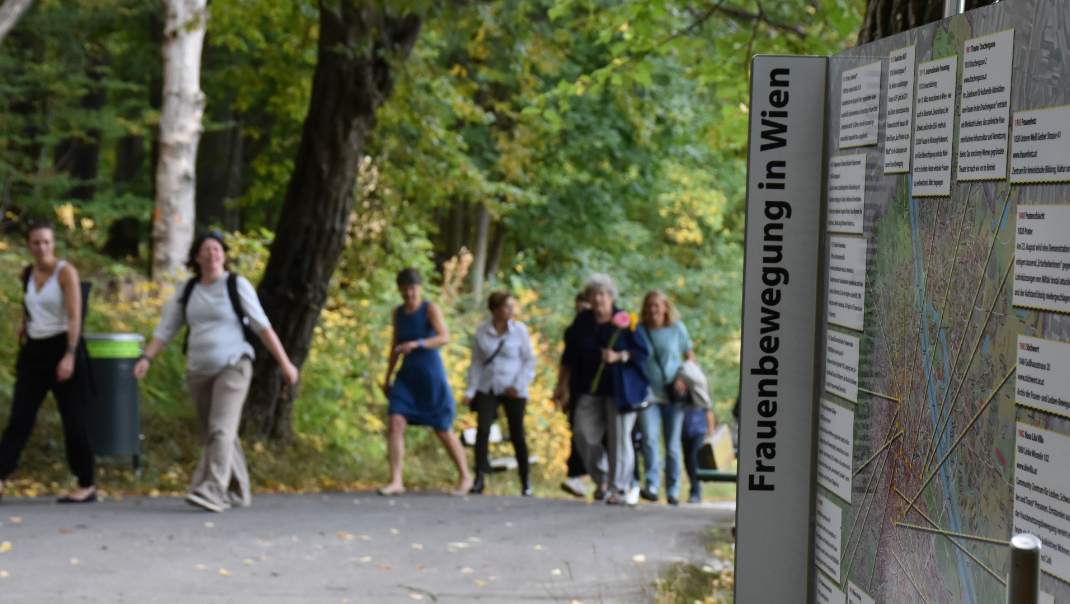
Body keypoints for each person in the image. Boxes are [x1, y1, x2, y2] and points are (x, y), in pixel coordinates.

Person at [134, 232, 299, 512]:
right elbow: (167, 328)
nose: (212, 254)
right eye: (206, 250)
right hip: (199, 370)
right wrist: (147, 357)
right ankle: (239, 491)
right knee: (217, 432)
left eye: (217, 249)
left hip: (234, 364)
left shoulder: (236, 285)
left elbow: (262, 325)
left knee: (220, 430)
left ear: (224, 255)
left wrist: (285, 363)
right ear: (196, 257)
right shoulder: (188, 291)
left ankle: (212, 489)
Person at [0, 219, 97, 504]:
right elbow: (33, 305)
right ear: (28, 245)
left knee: (74, 418)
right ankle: (1, 476)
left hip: (63, 347)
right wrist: (25, 324)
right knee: (20, 416)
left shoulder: (66, 272)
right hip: (34, 352)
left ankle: (86, 483)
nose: (42, 248)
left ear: (54, 243)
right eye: (36, 243)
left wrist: (69, 355)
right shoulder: (27, 272)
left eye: (47, 242)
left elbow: (73, 316)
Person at [553, 274, 649, 505]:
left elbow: (642, 353)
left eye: (602, 294)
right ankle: (602, 477)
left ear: (611, 297)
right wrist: (561, 385)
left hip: (621, 390)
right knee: (583, 433)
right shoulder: (582, 322)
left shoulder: (625, 320)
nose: (598, 299)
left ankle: (619, 488)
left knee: (619, 439)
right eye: (594, 294)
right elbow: (569, 356)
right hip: (588, 388)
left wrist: (620, 355)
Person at [379, 269, 472, 496]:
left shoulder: (429, 308)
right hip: (407, 377)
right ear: (399, 289)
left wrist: (418, 343)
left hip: (430, 375)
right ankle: (396, 480)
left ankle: (465, 476)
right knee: (395, 423)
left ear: (419, 288)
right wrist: (388, 377)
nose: (409, 293)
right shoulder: (398, 313)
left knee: (442, 428)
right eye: (404, 289)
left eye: (413, 288)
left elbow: (444, 337)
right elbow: (395, 345)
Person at [462, 291, 536, 496]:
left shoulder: (520, 331)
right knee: (483, 429)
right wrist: (470, 390)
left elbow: (529, 360)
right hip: (488, 386)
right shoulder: (482, 330)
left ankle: (526, 480)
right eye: (507, 307)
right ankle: (479, 477)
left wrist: (518, 385)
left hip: (514, 388)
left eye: (513, 306)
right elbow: (476, 362)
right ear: (495, 309)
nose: (511, 311)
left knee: (516, 433)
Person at [634, 290, 694, 505]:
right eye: (649, 305)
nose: (653, 309)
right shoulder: (639, 330)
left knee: (672, 443)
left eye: (657, 305)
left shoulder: (677, 329)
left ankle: (673, 489)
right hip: (649, 394)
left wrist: (684, 378)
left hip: (673, 395)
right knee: (649, 439)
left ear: (665, 307)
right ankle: (651, 484)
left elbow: (689, 356)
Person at [559, 292, 591, 498]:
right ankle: (578, 477)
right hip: (578, 389)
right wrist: (562, 389)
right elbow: (567, 362)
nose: (581, 314)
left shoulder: (605, 328)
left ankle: (605, 480)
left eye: (585, 310)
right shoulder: (572, 332)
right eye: (578, 310)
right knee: (578, 431)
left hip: (602, 390)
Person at [678, 361, 714, 503]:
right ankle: (694, 489)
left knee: (693, 458)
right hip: (684, 430)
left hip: (699, 429)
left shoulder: (700, 391)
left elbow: (708, 409)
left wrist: (711, 431)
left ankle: (696, 491)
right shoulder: (681, 390)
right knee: (687, 460)